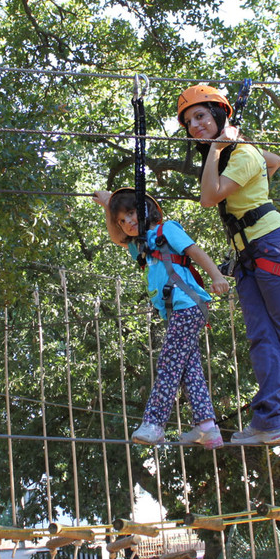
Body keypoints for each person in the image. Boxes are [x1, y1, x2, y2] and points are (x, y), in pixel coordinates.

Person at [177, 83, 280, 447]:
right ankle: (270, 421)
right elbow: (272, 162)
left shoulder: (238, 153)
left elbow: (209, 198)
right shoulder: (238, 157)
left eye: (200, 116)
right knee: (262, 338)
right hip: (247, 256)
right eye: (188, 122)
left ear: (218, 115)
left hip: (273, 245)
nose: (195, 125)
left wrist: (218, 148)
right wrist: (250, 169)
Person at [93, 187, 230, 448]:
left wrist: (217, 276)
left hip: (188, 304)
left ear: (147, 209)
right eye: (123, 220)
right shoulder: (139, 245)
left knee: (169, 364)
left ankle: (154, 424)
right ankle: (207, 428)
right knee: (190, 369)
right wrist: (108, 209)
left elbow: (194, 252)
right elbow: (116, 238)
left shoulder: (166, 230)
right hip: (177, 311)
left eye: (132, 213)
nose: (128, 222)